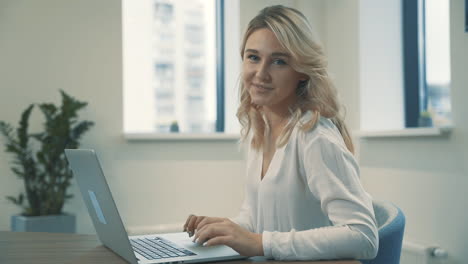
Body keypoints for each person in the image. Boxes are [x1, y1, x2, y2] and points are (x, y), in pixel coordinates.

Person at [183, 5, 378, 261]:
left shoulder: (315, 137)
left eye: (279, 61)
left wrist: (260, 242)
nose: (260, 73)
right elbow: (256, 218)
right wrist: (225, 229)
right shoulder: (260, 129)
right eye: (253, 57)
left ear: (301, 71)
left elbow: (363, 236)